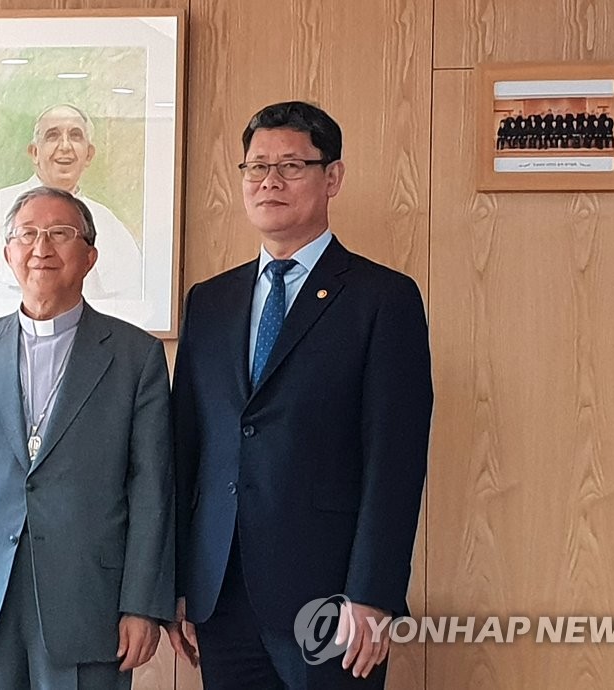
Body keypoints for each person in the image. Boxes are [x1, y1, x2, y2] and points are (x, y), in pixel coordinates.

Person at [167, 101, 433, 689]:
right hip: (221, 594)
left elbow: (395, 460)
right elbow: (187, 452)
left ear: (332, 177)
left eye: (290, 165)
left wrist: (374, 593)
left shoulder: (382, 298)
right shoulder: (209, 302)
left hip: (332, 600)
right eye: (256, 166)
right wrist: (180, 582)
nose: (268, 181)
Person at [0, 186, 174, 689]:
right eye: (26, 234)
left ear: (90, 256)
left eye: (60, 234)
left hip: (90, 600)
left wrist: (143, 603)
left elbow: (152, 491)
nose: (41, 247)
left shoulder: (136, 357)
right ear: (9, 254)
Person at [0, 104, 142, 300]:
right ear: (35, 152)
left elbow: (129, 300)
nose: (65, 146)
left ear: (88, 154)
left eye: (75, 136)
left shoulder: (110, 225)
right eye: (52, 136)